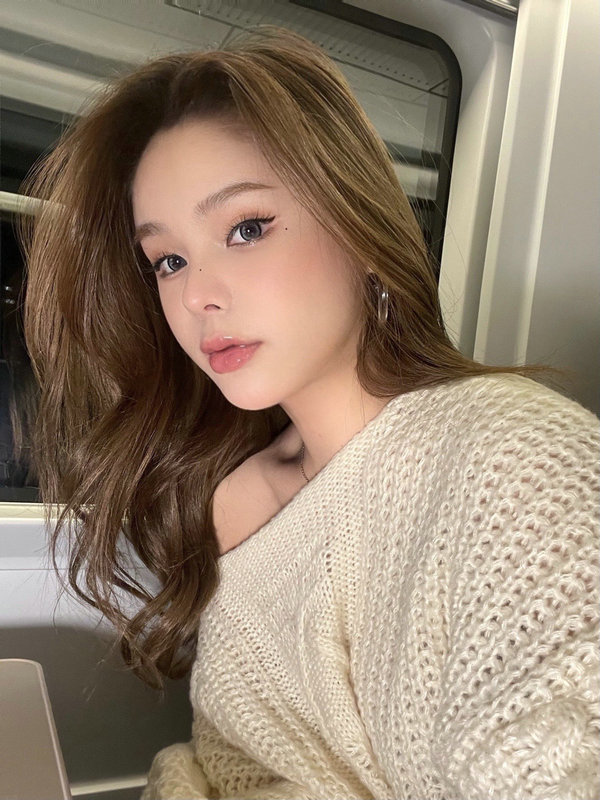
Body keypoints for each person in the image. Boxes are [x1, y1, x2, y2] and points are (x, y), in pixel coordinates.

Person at [20, 24, 599, 800]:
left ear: (360, 228)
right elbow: (238, 763)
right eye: (169, 259)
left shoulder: (517, 458)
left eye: (246, 229)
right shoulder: (236, 496)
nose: (198, 296)